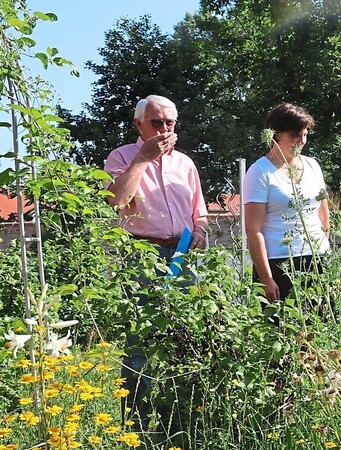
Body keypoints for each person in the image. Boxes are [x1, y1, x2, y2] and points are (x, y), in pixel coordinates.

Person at [104, 94, 208, 430]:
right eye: (156, 122)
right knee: (140, 340)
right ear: (139, 124)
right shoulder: (121, 157)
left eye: (170, 123)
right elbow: (117, 200)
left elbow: (199, 211)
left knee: (184, 334)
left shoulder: (185, 163)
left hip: (181, 254)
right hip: (142, 253)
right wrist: (143, 159)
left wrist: (201, 231)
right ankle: (135, 425)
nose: (164, 128)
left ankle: (177, 418)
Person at [243, 103, 330, 304]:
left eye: (305, 134)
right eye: (294, 135)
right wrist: (266, 278)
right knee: (282, 329)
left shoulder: (313, 166)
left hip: (317, 258)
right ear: (276, 134)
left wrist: (321, 248)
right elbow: (253, 229)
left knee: (324, 326)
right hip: (279, 263)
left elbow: (324, 215)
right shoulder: (260, 172)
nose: (301, 141)